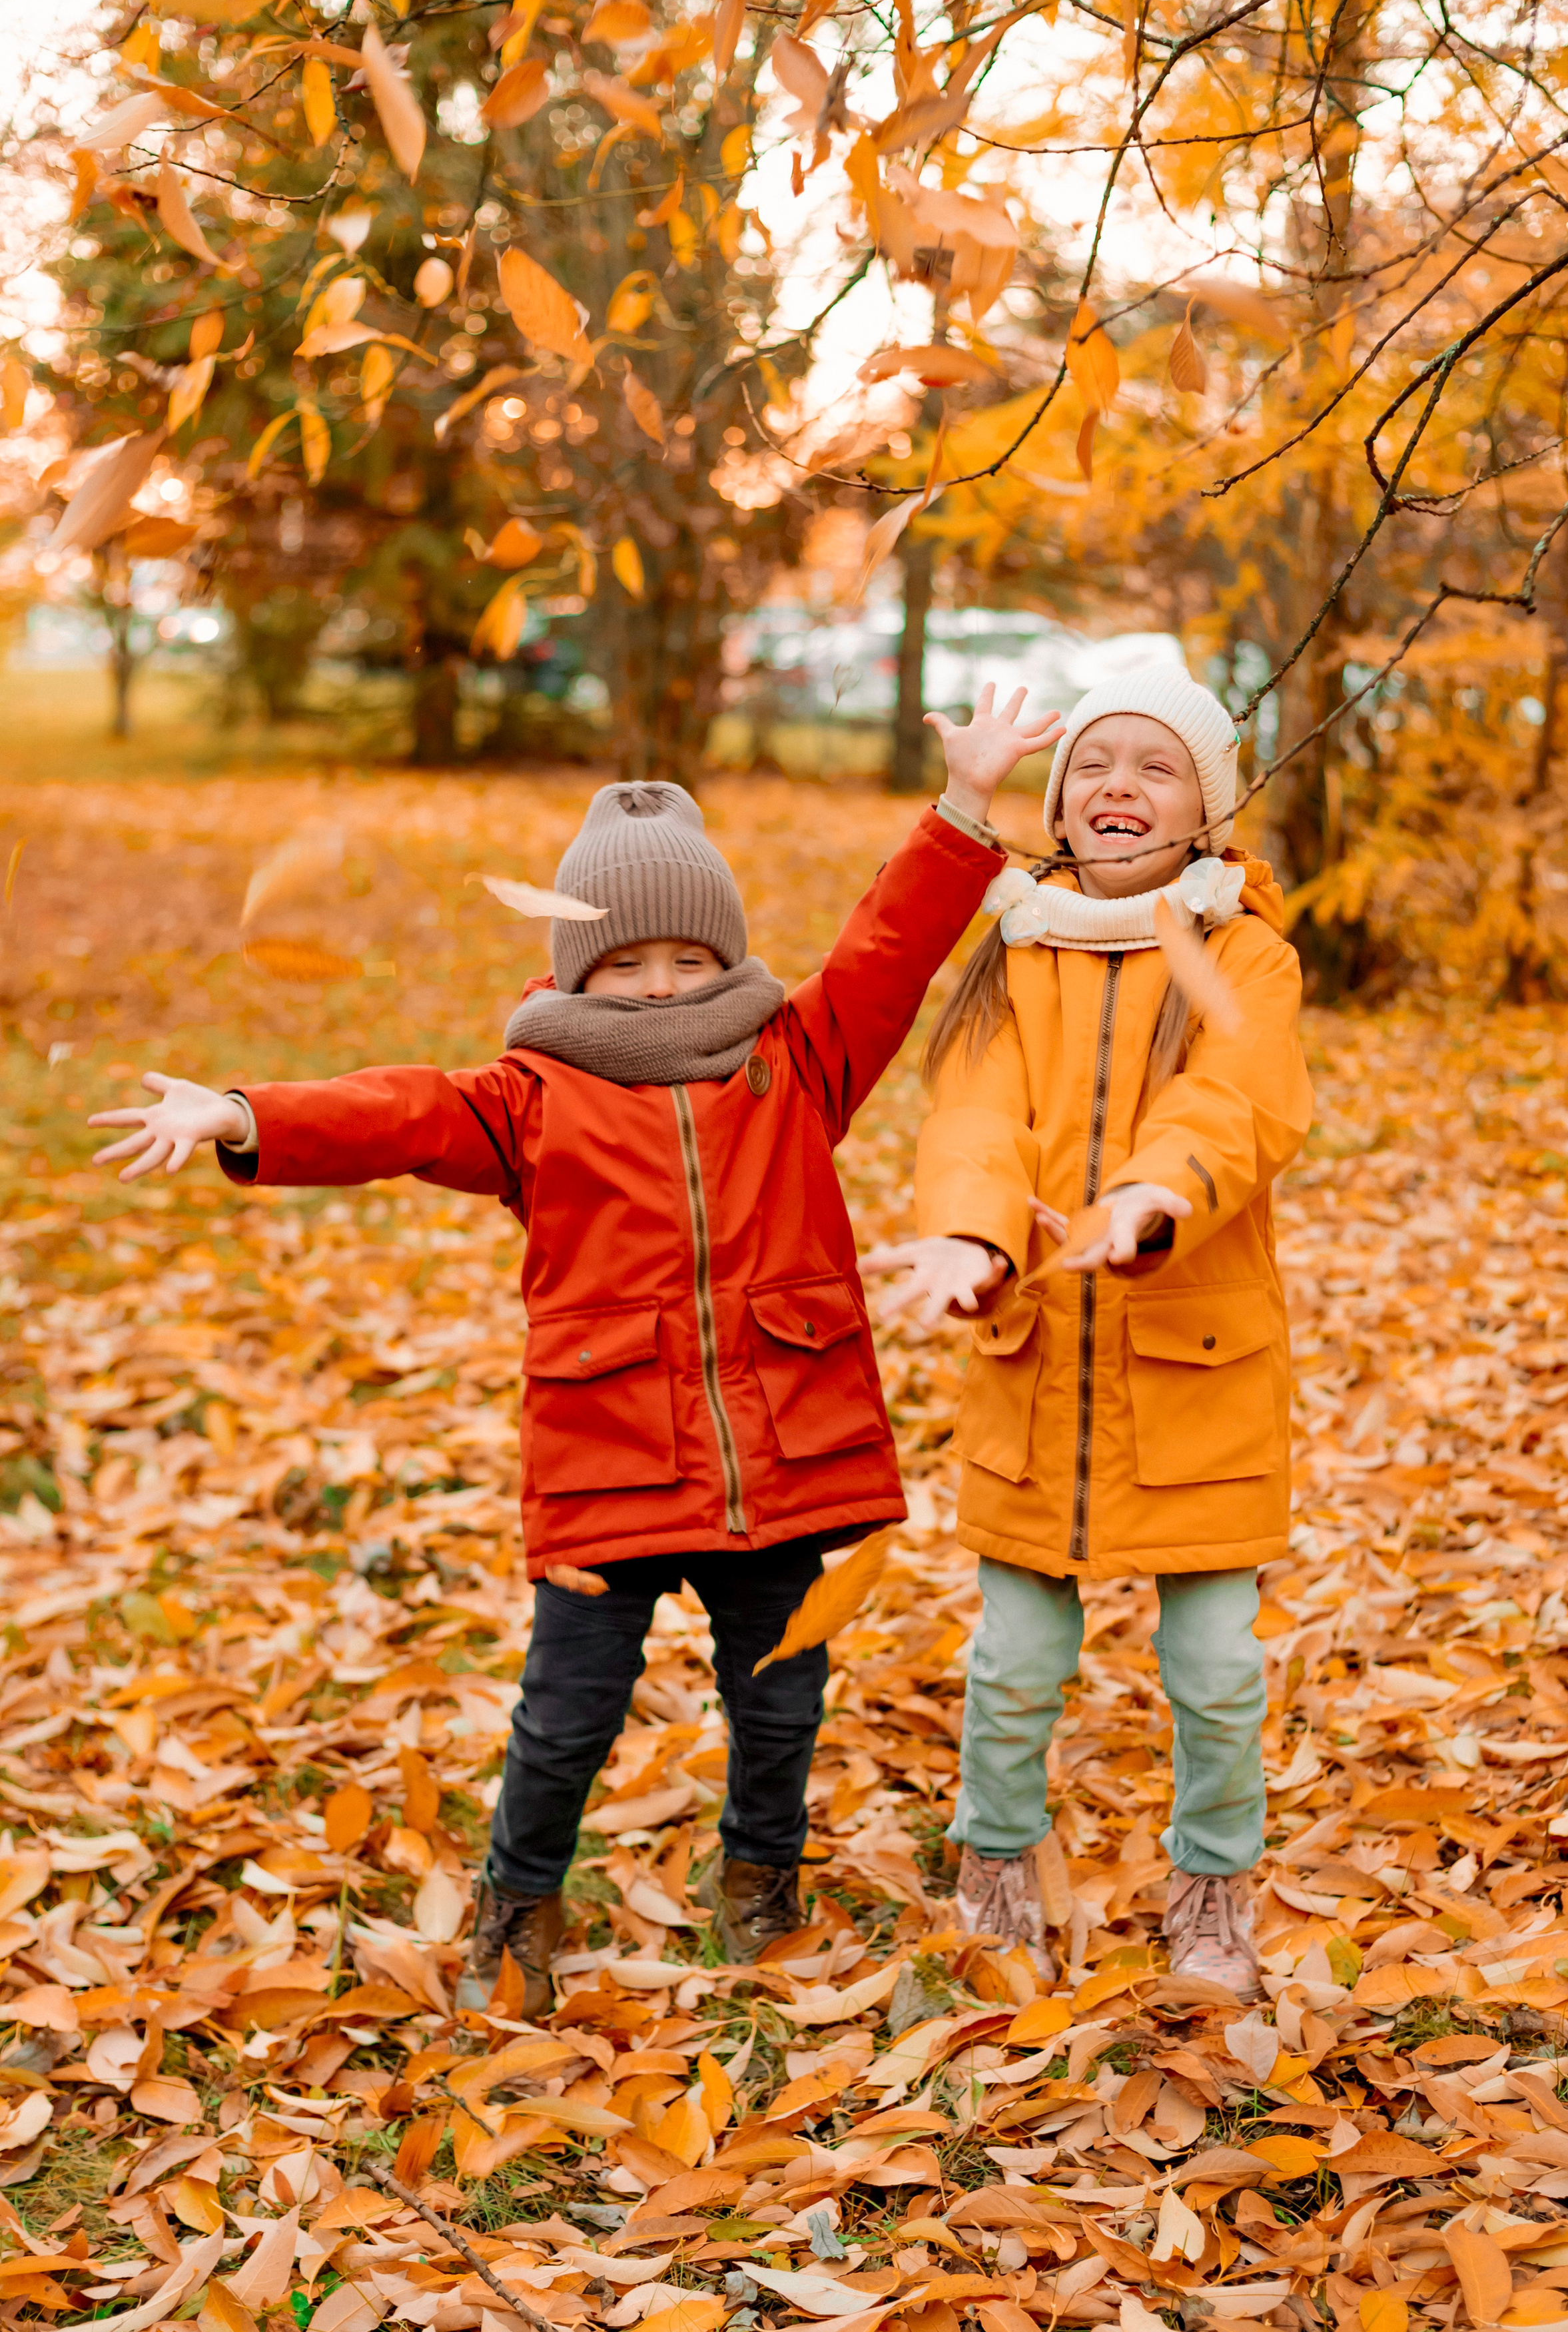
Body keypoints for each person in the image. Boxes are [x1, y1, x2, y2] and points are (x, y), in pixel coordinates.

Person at [88, 724, 1061, 2012]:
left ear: (726, 955)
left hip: (784, 1458)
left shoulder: (797, 1062)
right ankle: (520, 1900)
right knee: (566, 1715)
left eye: (689, 957)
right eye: (628, 962)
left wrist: (961, 803)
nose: (661, 986)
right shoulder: (530, 1096)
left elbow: (888, 954)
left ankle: (762, 1877)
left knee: (780, 1700)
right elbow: (398, 1109)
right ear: (576, 968)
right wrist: (245, 1112)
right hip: (610, 1465)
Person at [862, 666, 1313, 2002]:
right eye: (1094, 766)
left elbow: (1241, 1101)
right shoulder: (1012, 950)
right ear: (1059, 807)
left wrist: (1153, 1195)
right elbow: (974, 1118)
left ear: (1205, 808)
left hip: (1196, 1374)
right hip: (1037, 1368)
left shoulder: (1242, 953)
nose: (1120, 786)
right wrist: (966, 1230)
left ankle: (1212, 1892)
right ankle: (994, 1868)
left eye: (1154, 766)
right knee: (1011, 1663)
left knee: (1217, 1668)